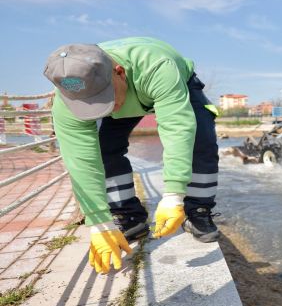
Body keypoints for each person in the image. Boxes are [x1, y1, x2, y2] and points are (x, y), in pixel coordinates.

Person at [44, 37, 220, 274]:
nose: (103, 109)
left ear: (119, 72)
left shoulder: (157, 67)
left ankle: (198, 210)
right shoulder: (66, 101)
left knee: (202, 139)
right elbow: (81, 161)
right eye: (90, 104)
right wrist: (99, 223)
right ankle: (128, 216)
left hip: (171, 85)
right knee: (104, 148)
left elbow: (177, 128)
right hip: (128, 91)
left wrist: (173, 196)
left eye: (104, 98)